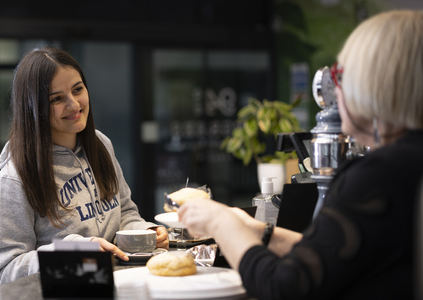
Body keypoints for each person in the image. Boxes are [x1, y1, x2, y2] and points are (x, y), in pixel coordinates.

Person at [169, 10, 423, 300]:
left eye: (339, 75)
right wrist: (263, 234)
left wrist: (220, 224)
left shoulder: (382, 173)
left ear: (375, 84)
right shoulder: (409, 163)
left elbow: (284, 287)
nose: (335, 90)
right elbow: (332, 257)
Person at [0, 46, 169, 286]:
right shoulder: (13, 180)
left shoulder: (100, 145)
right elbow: (3, 271)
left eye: (77, 89)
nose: (74, 104)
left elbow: (124, 213)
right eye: (57, 99)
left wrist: (146, 232)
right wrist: (74, 251)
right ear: (33, 107)